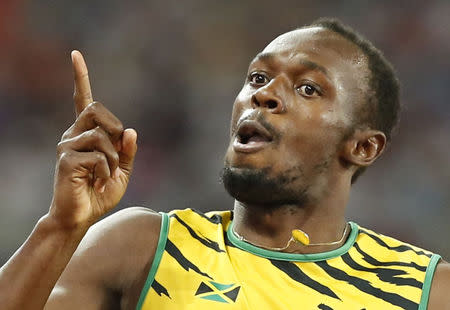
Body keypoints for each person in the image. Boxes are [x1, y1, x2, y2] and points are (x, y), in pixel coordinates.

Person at [0, 18, 448, 310]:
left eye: (309, 88)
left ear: (363, 147)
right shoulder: (141, 247)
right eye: (257, 77)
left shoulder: (426, 290)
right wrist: (60, 227)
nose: (264, 94)